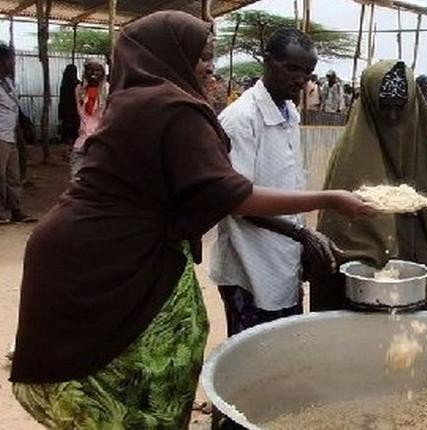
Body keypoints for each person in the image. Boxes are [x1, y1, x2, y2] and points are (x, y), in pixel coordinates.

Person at [10, 12, 373, 429]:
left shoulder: (139, 99)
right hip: (101, 259)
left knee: (148, 358)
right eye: (202, 56)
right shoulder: (172, 108)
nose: (209, 67)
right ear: (172, 54)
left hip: (102, 249)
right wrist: (331, 200)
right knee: (142, 367)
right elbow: (231, 193)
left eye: (212, 58)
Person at [210, 28, 336, 341]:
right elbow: (236, 201)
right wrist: (300, 233)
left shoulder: (290, 112)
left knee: (283, 351)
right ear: (267, 62)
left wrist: (299, 238)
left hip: (282, 257)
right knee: (251, 356)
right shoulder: (241, 119)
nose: (300, 80)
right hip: (248, 263)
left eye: (307, 73)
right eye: (291, 68)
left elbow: (287, 185)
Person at [313, 60, 427, 311]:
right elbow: (338, 226)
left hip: (419, 263)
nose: (392, 117)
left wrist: (421, 203)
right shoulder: (350, 152)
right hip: (365, 273)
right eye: (383, 108)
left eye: (400, 109)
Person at [0, 42, 31, 223]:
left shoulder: (9, 83)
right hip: (0, 135)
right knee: (0, 175)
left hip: (10, 134)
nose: (13, 63)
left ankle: (16, 209)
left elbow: (14, 109)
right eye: (10, 59)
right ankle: (2, 212)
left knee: (13, 175)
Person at [71, 58, 109, 177]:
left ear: (103, 73)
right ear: (85, 71)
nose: (93, 73)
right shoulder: (79, 89)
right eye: (90, 70)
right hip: (82, 141)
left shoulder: (107, 89)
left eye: (98, 70)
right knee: (76, 177)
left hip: (100, 142)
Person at [57, 64, 80, 147]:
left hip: (66, 114)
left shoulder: (64, 86)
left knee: (67, 137)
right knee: (75, 136)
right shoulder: (78, 84)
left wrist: (60, 116)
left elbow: (61, 102)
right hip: (76, 113)